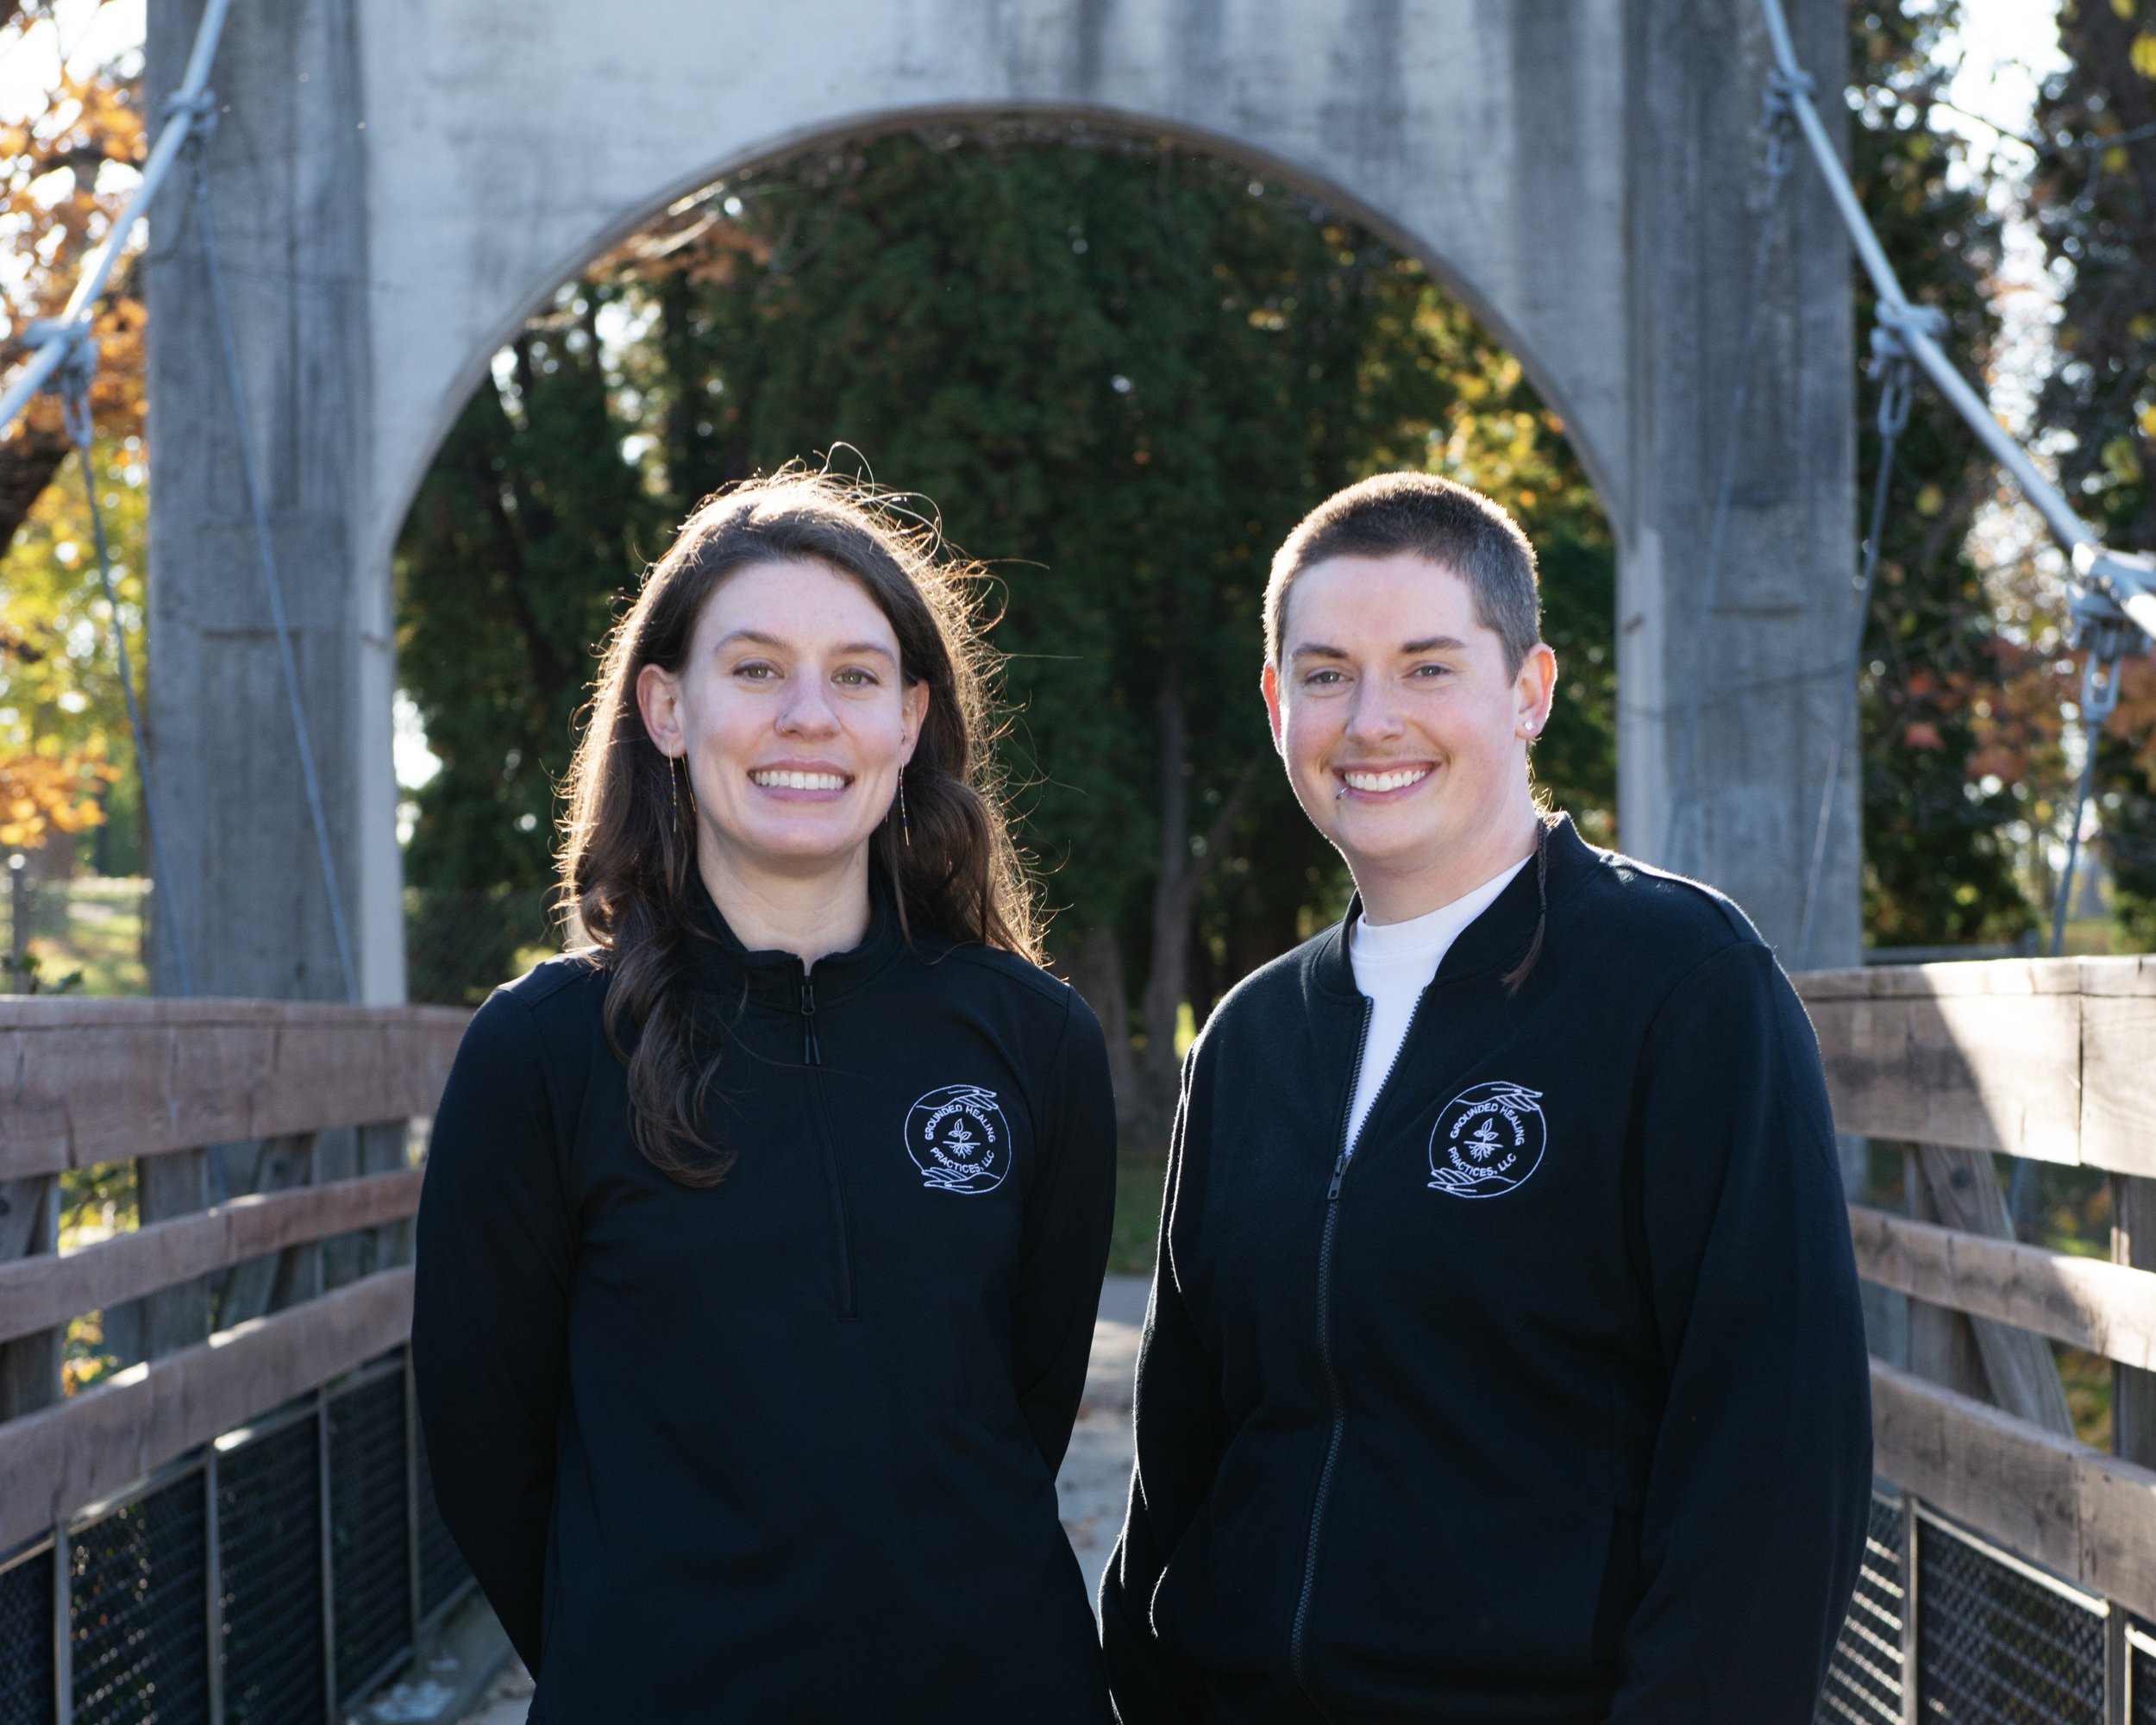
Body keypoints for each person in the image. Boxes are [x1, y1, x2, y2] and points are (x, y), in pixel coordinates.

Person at [1100, 473, 1872, 1723]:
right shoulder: (1250, 1038)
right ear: (1277, 703)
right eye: (1328, 673)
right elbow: (1181, 1453)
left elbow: (1778, 1454)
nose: (1372, 720)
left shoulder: (1681, 987)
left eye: (1427, 667)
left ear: (1530, 690)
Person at [412, 472, 1116, 1722]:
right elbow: (483, 1451)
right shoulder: (541, 1054)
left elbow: (1029, 1404)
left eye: (855, 676)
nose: (807, 717)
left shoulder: (1037, 1040)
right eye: (755, 670)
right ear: (666, 709)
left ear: (910, 719)